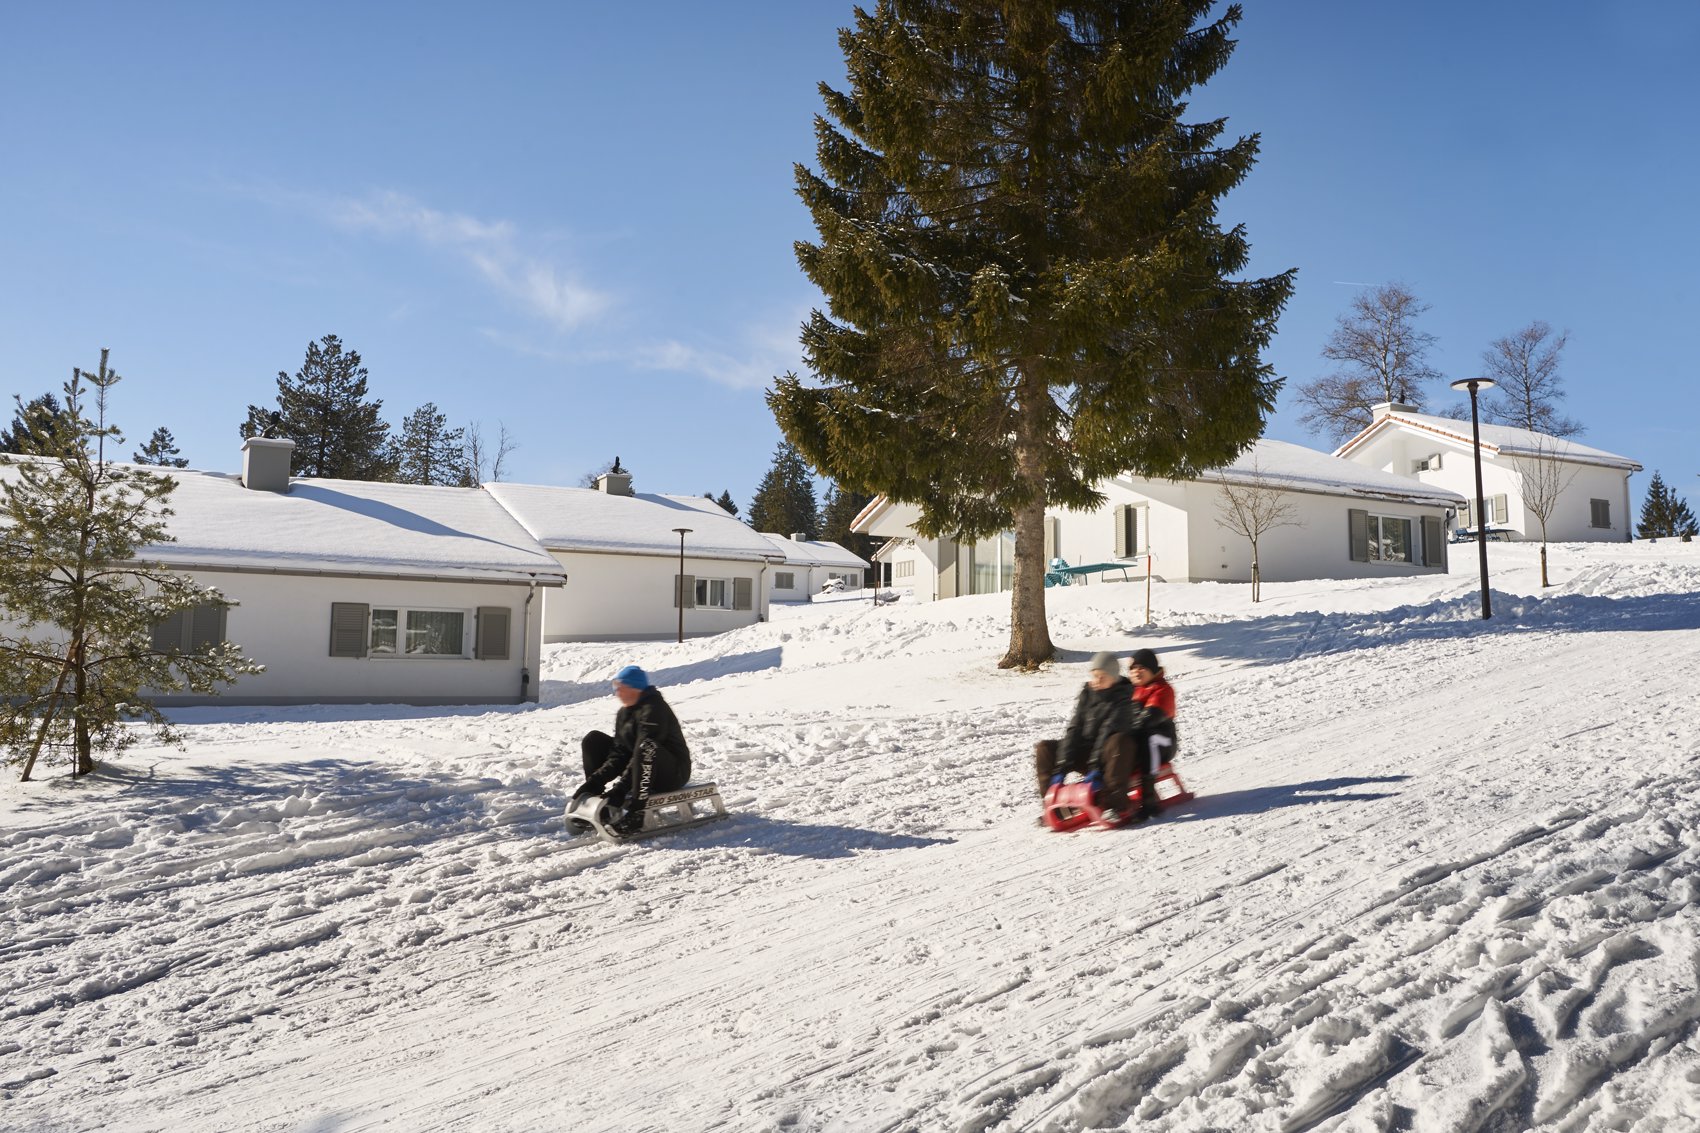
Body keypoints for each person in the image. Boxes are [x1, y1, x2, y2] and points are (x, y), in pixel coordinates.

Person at [571, 664, 692, 835]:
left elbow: (645, 751)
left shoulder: (654, 709)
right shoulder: (625, 713)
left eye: (620, 687)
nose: (616, 692)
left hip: (671, 773)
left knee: (646, 747)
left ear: (634, 688)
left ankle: (637, 813)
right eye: (615, 686)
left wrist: (620, 789)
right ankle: (596, 799)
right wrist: (594, 782)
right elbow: (619, 754)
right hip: (642, 768)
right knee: (593, 740)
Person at [1034, 651, 1137, 824]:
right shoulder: (1088, 693)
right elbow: (1075, 728)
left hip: (1110, 757)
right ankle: (1052, 804)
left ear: (1113, 678)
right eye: (1094, 676)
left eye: (1102, 677)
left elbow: (1107, 731)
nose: (1097, 680)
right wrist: (1061, 767)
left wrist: (1095, 767)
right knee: (1045, 748)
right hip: (1088, 753)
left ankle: (1115, 804)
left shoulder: (1124, 697)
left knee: (1119, 741)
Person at [1126, 647, 1177, 821]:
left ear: (1152, 669)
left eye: (1141, 668)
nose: (1136, 672)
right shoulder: (1130, 690)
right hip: (1138, 741)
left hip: (1164, 742)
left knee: (1149, 740)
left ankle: (1149, 800)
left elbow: (1148, 720)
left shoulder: (1162, 689)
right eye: (1133, 668)